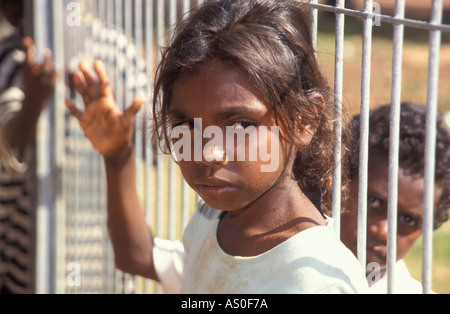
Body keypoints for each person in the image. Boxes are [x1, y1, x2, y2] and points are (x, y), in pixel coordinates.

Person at [67, 0, 369, 293]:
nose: (208, 153)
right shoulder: (213, 220)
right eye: (187, 125)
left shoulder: (318, 279)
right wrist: (117, 156)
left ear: (305, 121)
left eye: (239, 125)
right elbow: (135, 256)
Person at [340, 102, 450, 293]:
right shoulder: (280, 264)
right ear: (343, 181)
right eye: (373, 201)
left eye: (409, 220)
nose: (383, 231)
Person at [0, 0, 57, 293]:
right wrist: (34, 103)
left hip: (96, 240)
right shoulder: (10, 55)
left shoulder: (111, 48)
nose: (11, 9)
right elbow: (12, 139)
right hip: (20, 252)